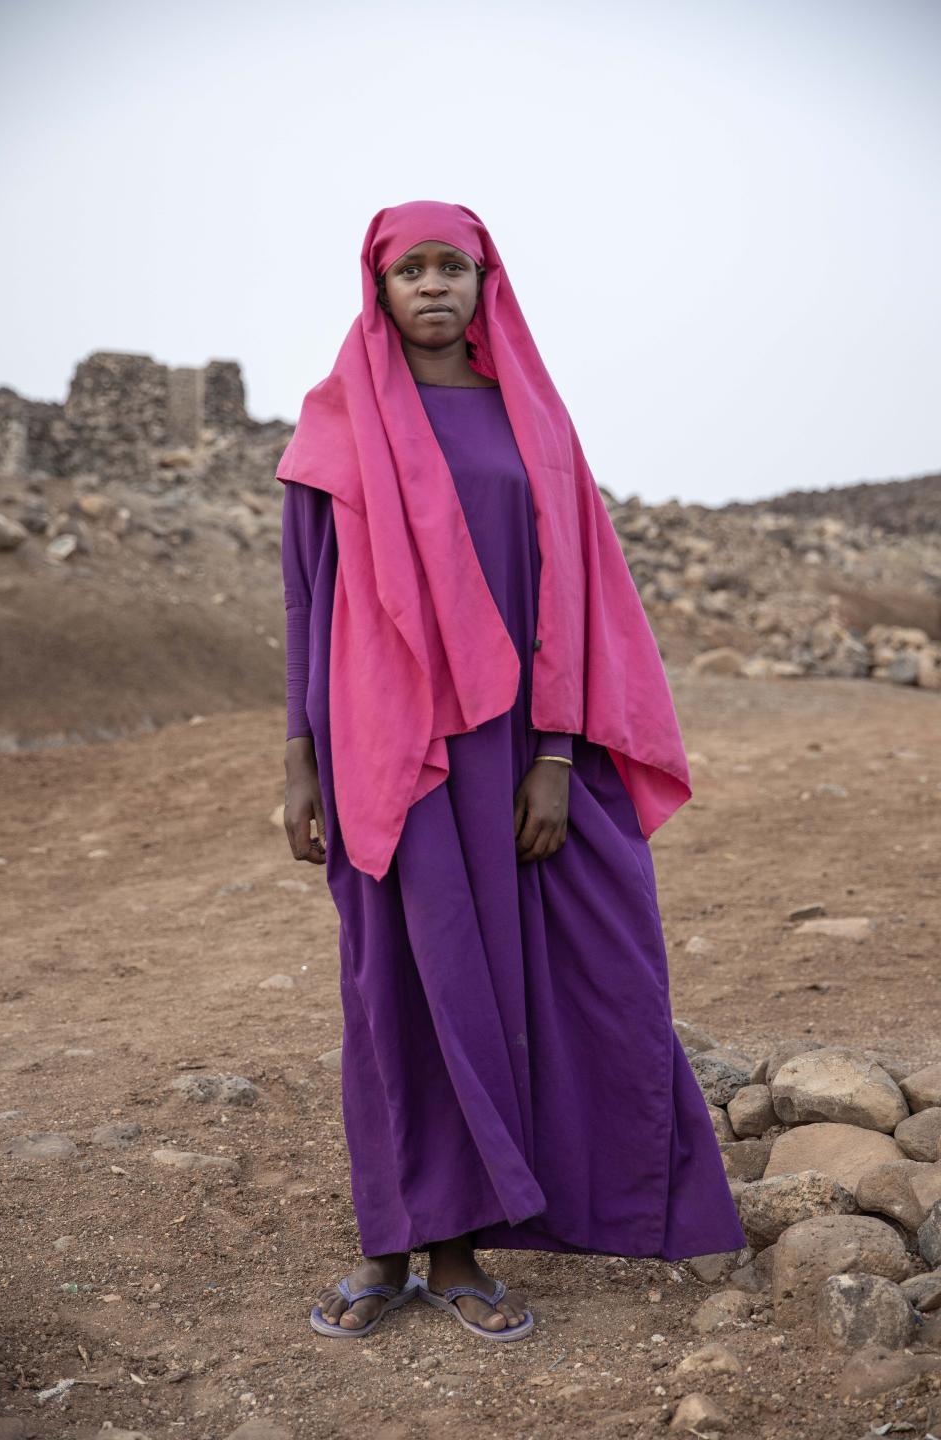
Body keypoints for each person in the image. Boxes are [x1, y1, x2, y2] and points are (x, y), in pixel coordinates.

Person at [278, 200, 746, 1343]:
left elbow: (571, 594)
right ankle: (388, 1248)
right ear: (378, 286)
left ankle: (458, 1250)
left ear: (488, 282)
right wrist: (299, 761)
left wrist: (550, 756)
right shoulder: (335, 426)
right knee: (391, 989)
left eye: (456, 268)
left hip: (510, 753)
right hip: (385, 750)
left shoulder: (530, 425)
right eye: (412, 270)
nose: (434, 287)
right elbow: (304, 601)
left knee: (534, 973)